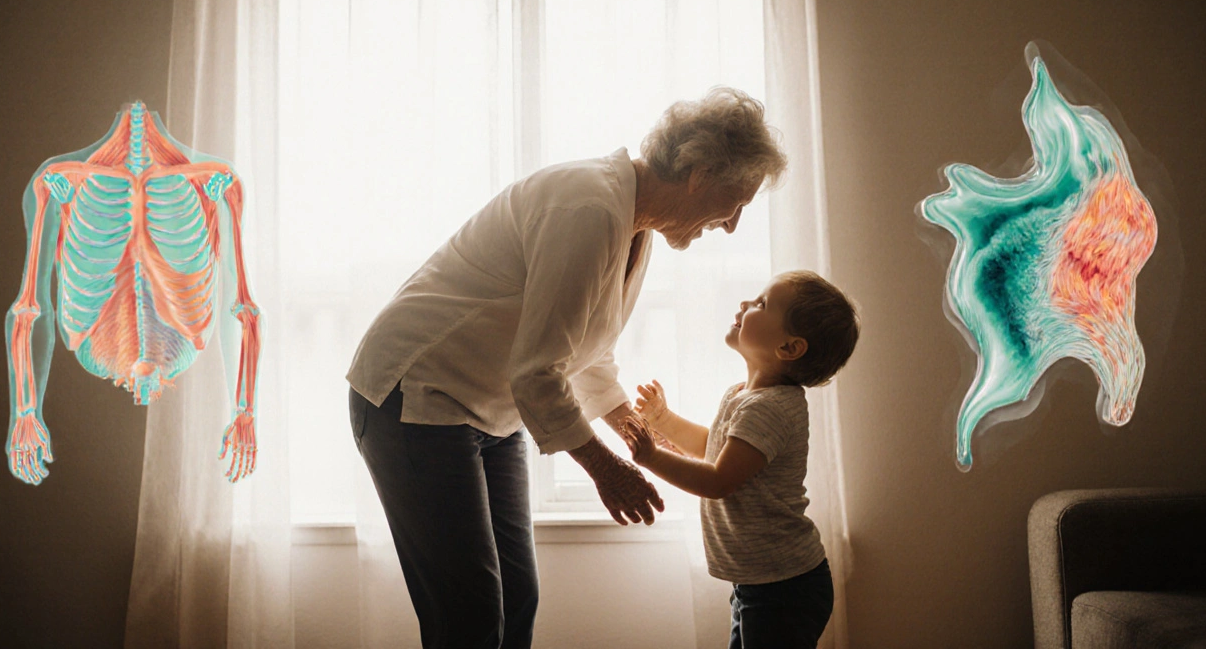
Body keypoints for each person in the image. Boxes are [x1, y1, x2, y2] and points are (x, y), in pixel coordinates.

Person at [346, 87, 789, 649]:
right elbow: (538, 372)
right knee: (469, 617)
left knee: (516, 599)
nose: (731, 224)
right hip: (414, 396)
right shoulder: (590, 206)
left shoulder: (636, 224)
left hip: (490, 413)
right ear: (699, 172)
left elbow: (586, 352)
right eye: (737, 201)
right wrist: (607, 469)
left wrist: (636, 431)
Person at [622, 270, 860, 649]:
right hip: (764, 582)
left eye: (762, 304)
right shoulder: (743, 396)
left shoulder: (770, 408)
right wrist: (664, 422)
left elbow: (718, 481)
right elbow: (715, 448)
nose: (746, 305)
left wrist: (652, 458)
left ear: (789, 348)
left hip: (784, 588)